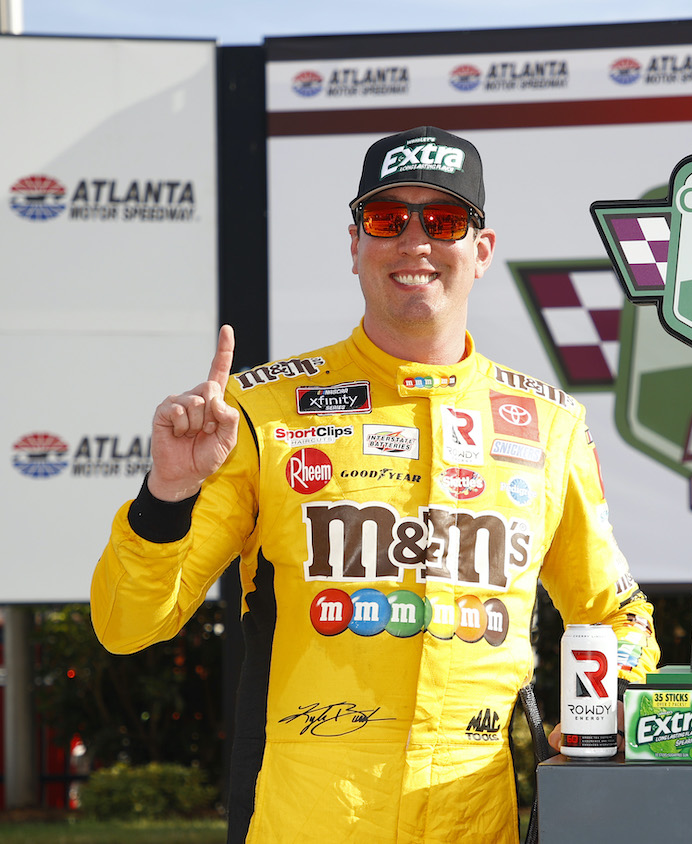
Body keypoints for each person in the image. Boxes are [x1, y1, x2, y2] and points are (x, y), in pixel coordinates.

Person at [91, 126, 660, 844]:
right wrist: (165, 496)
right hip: (305, 814)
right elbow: (128, 625)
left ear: (480, 251)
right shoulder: (260, 413)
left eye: (444, 221)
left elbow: (616, 614)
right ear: (355, 244)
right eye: (388, 220)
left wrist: (605, 708)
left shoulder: (550, 427)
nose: (415, 242)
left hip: (474, 815)